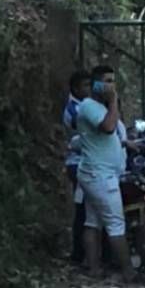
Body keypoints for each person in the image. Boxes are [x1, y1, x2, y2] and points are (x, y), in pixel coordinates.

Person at [76, 75, 137, 282]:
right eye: (107, 81)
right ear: (96, 85)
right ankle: (128, 271)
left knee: (93, 222)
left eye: (113, 80)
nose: (111, 85)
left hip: (100, 173)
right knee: (116, 224)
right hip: (100, 176)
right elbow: (108, 127)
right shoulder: (90, 106)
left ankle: (94, 268)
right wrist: (113, 101)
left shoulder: (99, 107)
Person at [63, 70, 93, 264]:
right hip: (78, 163)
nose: (88, 89)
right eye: (85, 86)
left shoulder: (85, 106)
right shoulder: (73, 110)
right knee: (82, 209)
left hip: (89, 161)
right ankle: (78, 253)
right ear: (75, 88)